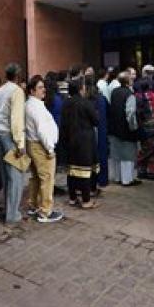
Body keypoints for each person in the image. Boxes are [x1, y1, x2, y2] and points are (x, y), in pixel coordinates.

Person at [25, 75, 63, 222]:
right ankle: (45, 211)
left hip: (33, 144)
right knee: (47, 178)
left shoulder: (31, 104)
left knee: (36, 177)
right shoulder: (35, 107)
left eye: (43, 87)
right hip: (40, 146)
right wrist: (50, 149)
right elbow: (42, 130)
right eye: (40, 87)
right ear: (32, 91)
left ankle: (33, 205)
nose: (44, 90)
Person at [61, 79, 100, 209]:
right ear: (80, 89)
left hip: (70, 140)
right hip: (85, 141)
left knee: (71, 170)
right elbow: (96, 121)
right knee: (84, 171)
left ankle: (72, 198)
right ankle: (86, 200)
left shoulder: (66, 103)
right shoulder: (86, 103)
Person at [0, 63, 27, 227]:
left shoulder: (1, 90)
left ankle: (8, 210)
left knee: (6, 176)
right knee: (15, 177)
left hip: (0, 135)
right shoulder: (17, 91)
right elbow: (16, 119)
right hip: (11, 137)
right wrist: (20, 143)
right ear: (18, 75)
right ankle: (12, 215)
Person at [108, 72, 140, 186]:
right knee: (128, 155)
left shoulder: (114, 92)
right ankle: (127, 179)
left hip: (114, 127)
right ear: (128, 81)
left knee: (117, 155)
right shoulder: (130, 94)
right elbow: (130, 113)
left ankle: (118, 177)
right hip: (126, 129)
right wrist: (134, 128)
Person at [135, 79, 154, 179]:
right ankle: (153, 172)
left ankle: (142, 171)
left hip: (142, 127)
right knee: (153, 149)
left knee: (144, 148)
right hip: (153, 126)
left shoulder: (137, 97)